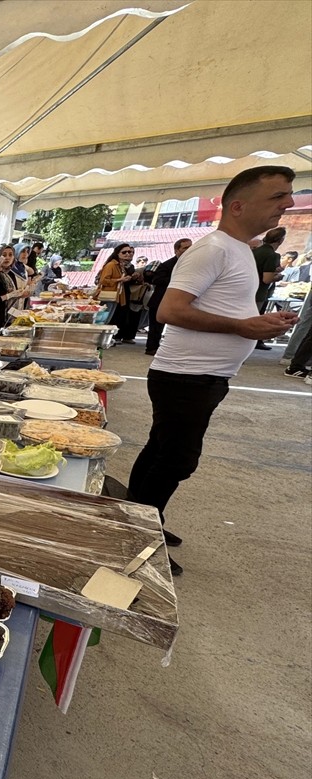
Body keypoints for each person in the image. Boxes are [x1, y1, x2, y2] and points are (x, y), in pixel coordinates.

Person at [127, 165, 298, 575]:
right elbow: (170, 310)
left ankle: (141, 521)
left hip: (204, 375)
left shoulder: (239, 248)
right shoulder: (213, 249)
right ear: (238, 205)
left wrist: (257, 322)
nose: (288, 204)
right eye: (277, 196)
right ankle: (136, 536)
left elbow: (221, 305)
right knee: (176, 458)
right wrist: (243, 326)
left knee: (162, 451)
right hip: (185, 376)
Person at [143, 238, 193, 355]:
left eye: (190, 247)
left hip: (178, 301)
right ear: (177, 250)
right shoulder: (167, 264)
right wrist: (177, 280)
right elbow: (157, 279)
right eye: (185, 248)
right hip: (160, 301)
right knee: (156, 327)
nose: (188, 250)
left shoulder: (192, 263)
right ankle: (151, 348)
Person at [96, 243, 143, 343]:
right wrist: (120, 280)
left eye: (130, 252)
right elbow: (103, 280)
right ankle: (100, 339)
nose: (128, 254)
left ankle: (104, 339)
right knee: (105, 318)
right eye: (124, 252)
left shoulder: (121, 266)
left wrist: (130, 278)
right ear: (118, 253)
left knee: (109, 318)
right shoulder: (111, 265)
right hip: (109, 295)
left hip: (117, 295)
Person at [0, 244, 30, 335]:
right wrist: (8, 296)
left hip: (5, 319)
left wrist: (19, 295)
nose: (7, 258)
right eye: (3, 255)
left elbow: (13, 295)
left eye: (10, 255)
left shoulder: (10, 275)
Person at [252, 226, 286, 348]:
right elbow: (267, 279)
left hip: (247, 290)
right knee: (252, 323)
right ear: (281, 240)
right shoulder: (272, 255)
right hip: (258, 293)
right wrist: (278, 276)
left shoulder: (255, 251)